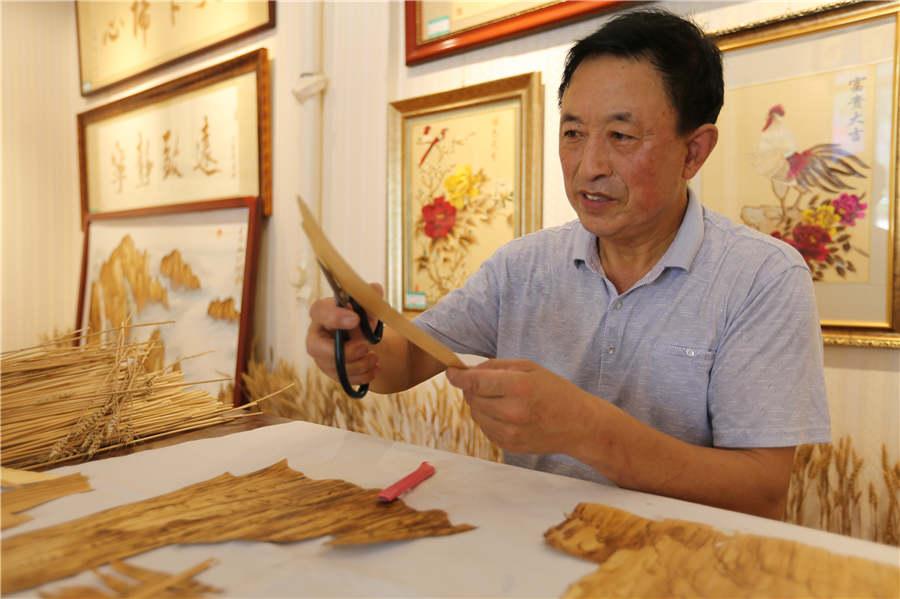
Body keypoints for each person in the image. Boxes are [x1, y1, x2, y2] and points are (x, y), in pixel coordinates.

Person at [306, 9, 830, 520]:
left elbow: (761, 495)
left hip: (677, 569)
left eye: (621, 137)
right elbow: (403, 362)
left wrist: (586, 429)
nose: (589, 166)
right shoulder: (524, 267)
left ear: (694, 152)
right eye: (573, 133)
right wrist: (354, 350)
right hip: (529, 558)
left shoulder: (762, 278)